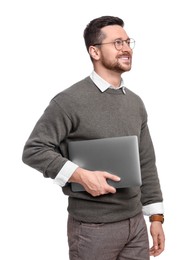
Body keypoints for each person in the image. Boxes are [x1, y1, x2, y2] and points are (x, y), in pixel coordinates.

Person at [22, 15, 165, 260]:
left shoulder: (135, 102)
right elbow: (34, 150)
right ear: (94, 52)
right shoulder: (68, 101)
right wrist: (80, 175)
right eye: (117, 43)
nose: (126, 48)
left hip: (136, 226)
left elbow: (146, 162)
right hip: (92, 229)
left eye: (128, 41)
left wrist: (156, 217)